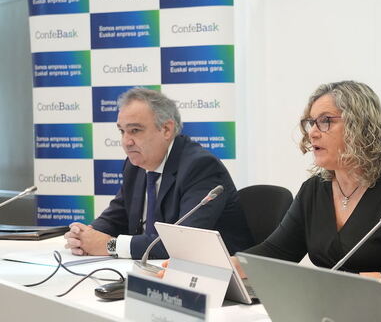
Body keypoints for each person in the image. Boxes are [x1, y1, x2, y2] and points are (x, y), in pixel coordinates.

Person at [241, 81, 381, 305]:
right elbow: (276, 251)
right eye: (311, 122)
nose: (312, 133)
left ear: (359, 125)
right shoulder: (314, 189)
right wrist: (228, 265)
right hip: (334, 312)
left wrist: (354, 283)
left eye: (325, 121)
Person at [63, 87, 254, 259]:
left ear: (166, 129)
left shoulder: (201, 167)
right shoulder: (135, 166)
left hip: (220, 281)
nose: (126, 141)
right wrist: (85, 235)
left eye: (135, 130)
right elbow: (116, 216)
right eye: (122, 131)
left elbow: (183, 243)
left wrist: (110, 245)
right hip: (154, 270)